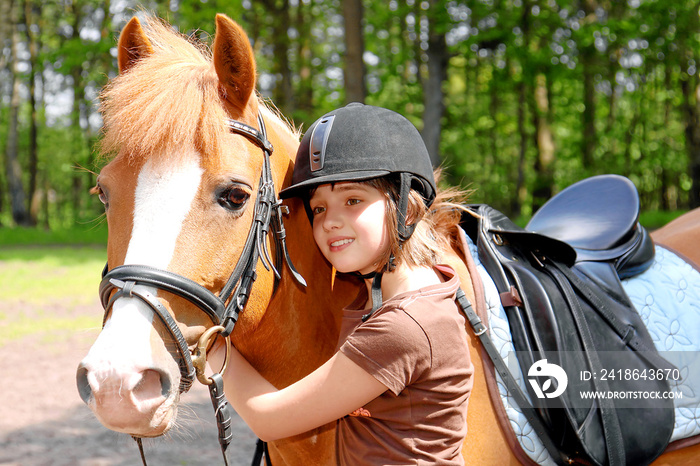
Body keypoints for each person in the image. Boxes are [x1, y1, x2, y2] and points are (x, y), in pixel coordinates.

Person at [210, 103, 474, 465]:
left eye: (353, 200)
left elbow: (269, 419)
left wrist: (209, 345)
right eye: (319, 208)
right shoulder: (417, 293)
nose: (331, 221)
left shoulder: (403, 327)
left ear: (407, 210)